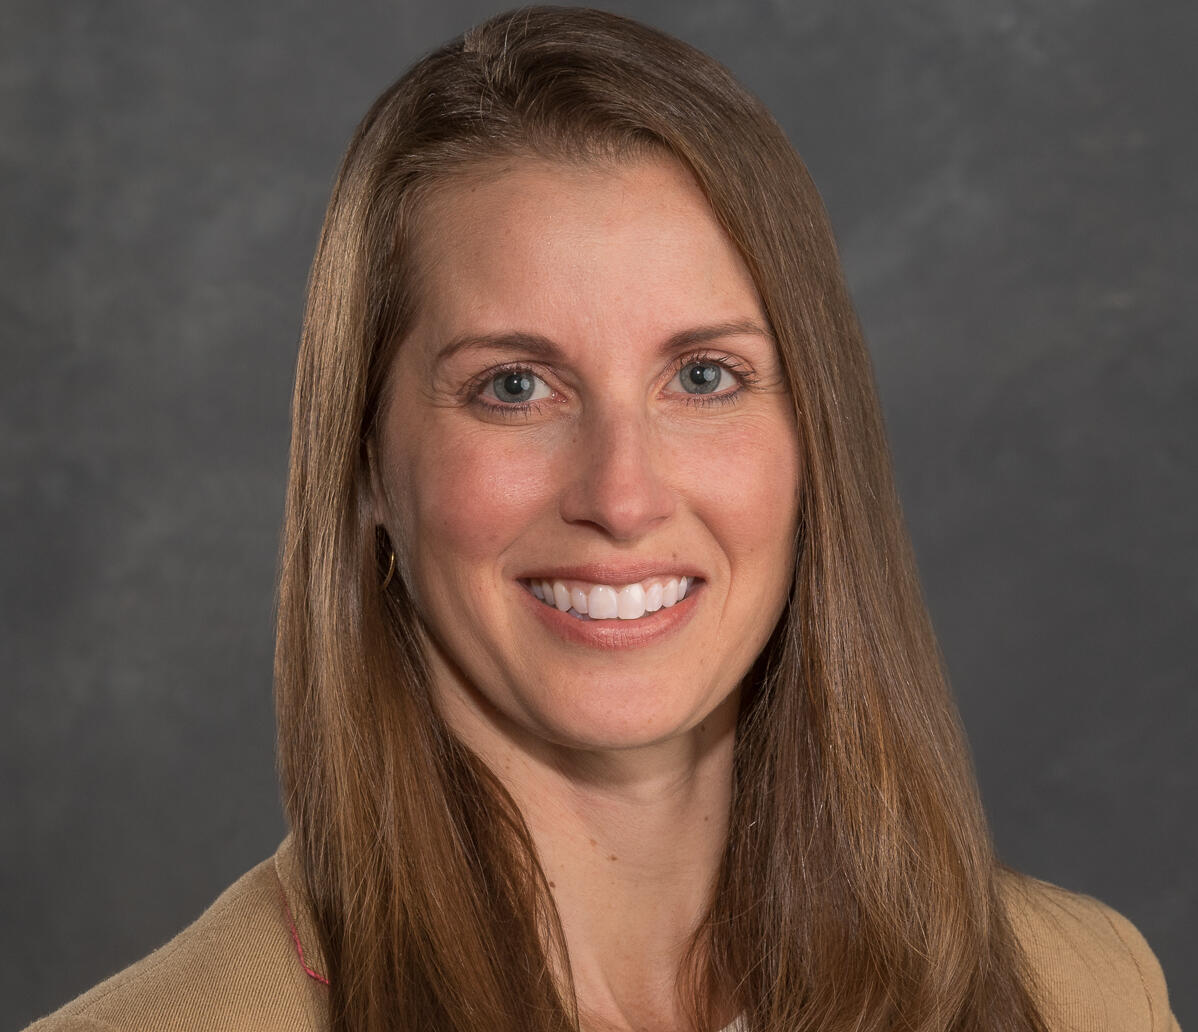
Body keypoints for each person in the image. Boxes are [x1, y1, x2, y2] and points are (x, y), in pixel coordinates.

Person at [27, 7, 1179, 1032]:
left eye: (706, 377)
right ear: (365, 466)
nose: (621, 497)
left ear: (816, 434)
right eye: (514, 387)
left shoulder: (1080, 992)